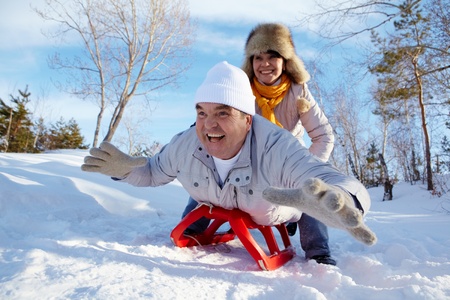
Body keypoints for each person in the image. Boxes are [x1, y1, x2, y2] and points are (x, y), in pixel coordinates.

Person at [81, 62, 377, 266]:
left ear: (247, 119)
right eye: (201, 112)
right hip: (217, 197)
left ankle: (318, 253)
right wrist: (123, 170)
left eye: (223, 113)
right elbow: (152, 172)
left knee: (313, 200)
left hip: (271, 207)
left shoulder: (276, 146)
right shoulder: (186, 143)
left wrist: (347, 201)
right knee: (192, 213)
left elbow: (327, 177)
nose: (209, 124)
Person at [184, 23, 337, 265]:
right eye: (258, 57)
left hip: (284, 165)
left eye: (272, 57)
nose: (265, 64)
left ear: (285, 61)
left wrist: (306, 168)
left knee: (312, 188)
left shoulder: (299, 93)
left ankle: (318, 251)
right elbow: (212, 121)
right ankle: (192, 227)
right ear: (251, 62)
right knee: (210, 172)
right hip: (247, 160)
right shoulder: (240, 91)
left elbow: (324, 136)